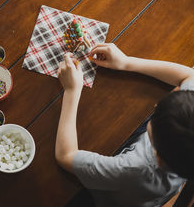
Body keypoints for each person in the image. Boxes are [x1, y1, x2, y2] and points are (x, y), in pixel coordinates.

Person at [55, 43, 194, 207]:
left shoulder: (132, 171)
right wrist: (127, 62)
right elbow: (189, 75)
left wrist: (72, 90)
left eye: (156, 114)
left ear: (157, 154)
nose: (156, 106)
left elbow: (65, 156)